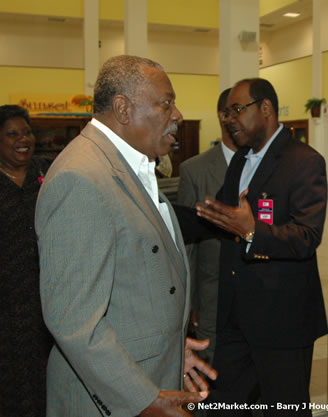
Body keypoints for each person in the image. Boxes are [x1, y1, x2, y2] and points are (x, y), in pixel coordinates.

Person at [35, 55, 216, 417]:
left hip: (146, 372)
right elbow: (73, 321)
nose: (177, 115)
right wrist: (142, 398)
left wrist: (169, 347)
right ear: (123, 108)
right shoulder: (82, 179)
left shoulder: (129, 167)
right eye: (166, 103)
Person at [178, 77, 328, 416]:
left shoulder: (304, 161)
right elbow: (214, 218)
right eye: (227, 111)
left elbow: (306, 237)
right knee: (225, 404)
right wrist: (158, 214)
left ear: (266, 109)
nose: (230, 118)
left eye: (237, 109)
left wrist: (252, 232)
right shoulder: (242, 160)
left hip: (283, 323)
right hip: (236, 318)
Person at [178, 87, 238, 367]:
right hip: (212, 298)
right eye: (233, 111)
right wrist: (188, 302)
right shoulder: (195, 170)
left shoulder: (269, 166)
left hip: (259, 298)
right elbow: (186, 245)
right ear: (221, 116)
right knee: (211, 377)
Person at [0, 104, 53, 417]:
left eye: (27, 132)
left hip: (47, 306)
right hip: (5, 312)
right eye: (12, 134)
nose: (23, 139)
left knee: (48, 387)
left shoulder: (48, 173)